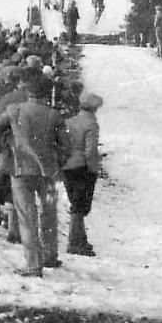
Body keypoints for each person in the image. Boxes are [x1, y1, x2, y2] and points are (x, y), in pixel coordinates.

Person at [0, 69, 69, 277]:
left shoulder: (15, 110)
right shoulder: (55, 115)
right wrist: (58, 161)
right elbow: (66, 147)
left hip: (20, 170)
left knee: (27, 216)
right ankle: (50, 255)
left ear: (27, 90)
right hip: (48, 173)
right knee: (49, 214)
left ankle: (33, 264)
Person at [62, 91, 102, 256]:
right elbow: (90, 151)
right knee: (80, 206)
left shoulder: (69, 122)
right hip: (82, 167)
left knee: (75, 202)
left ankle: (81, 239)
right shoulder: (91, 125)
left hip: (67, 166)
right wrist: (94, 169)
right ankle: (74, 242)